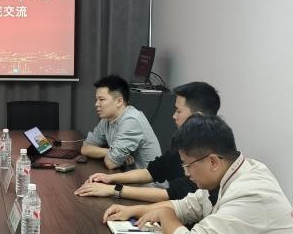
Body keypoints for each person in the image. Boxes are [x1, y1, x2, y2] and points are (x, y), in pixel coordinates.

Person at [102, 114, 293, 234]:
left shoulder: (251, 192)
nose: (186, 173)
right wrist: (133, 210)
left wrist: (163, 213)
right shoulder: (228, 174)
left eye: (188, 165)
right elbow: (186, 206)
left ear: (213, 161)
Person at [76, 81, 220, 203]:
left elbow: (171, 194)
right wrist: (109, 178)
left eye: (178, 111)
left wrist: (113, 189)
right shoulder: (185, 142)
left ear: (197, 117)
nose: (173, 116)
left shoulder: (207, 153)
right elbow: (151, 171)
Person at [80, 75, 161, 170]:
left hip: (146, 179)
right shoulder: (107, 119)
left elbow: (111, 163)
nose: (96, 104)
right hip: (126, 174)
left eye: (101, 99)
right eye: (96, 100)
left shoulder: (131, 120)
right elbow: (85, 148)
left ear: (119, 101)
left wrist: (111, 154)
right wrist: (109, 152)